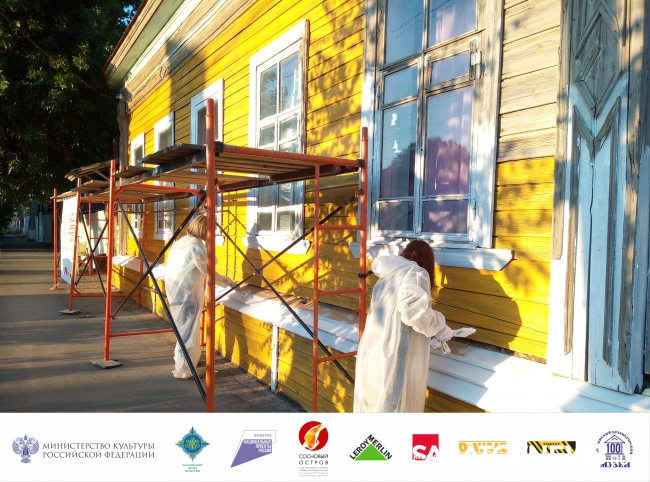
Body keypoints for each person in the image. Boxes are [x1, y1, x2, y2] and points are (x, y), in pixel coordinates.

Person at [353, 240, 453, 412]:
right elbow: (412, 310)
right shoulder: (416, 273)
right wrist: (441, 329)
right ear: (425, 259)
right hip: (394, 351)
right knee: (392, 406)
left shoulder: (388, 275)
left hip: (372, 350)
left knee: (372, 405)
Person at [165, 214, 208, 379]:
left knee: (183, 329)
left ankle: (186, 361)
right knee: (188, 331)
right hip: (188, 293)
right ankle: (184, 369)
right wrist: (228, 282)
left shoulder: (182, 242)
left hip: (176, 290)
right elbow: (208, 272)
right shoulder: (196, 246)